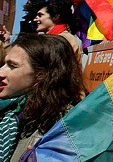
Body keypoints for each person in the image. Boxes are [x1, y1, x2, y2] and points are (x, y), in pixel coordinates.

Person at [0, 34, 85, 162]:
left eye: (12, 65)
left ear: (42, 74)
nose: (1, 72)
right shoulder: (10, 110)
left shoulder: (63, 128)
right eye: (4, 63)